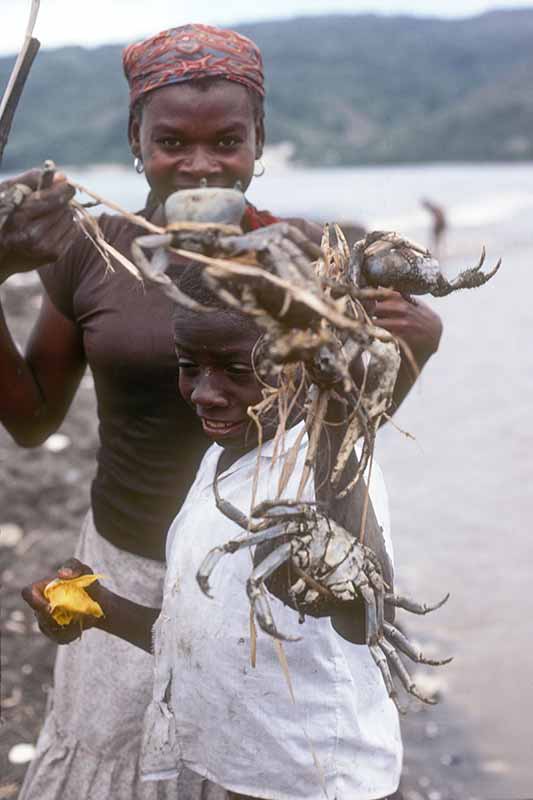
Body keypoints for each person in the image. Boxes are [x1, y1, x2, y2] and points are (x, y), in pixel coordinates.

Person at [1, 23, 442, 800]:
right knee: (111, 769)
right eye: (171, 141)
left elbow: (346, 437)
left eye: (226, 142)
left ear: (258, 141)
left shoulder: (312, 258)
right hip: (121, 556)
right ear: (135, 140)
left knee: (246, 771)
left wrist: (413, 349)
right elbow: (33, 419)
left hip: (262, 579)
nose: (199, 165)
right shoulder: (90, 249)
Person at [23, 268, 404, 799]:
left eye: (232, 369)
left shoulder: (330, 474)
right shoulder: (221, 460)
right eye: (189, 367)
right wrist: (101, 608)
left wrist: (320, 577)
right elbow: (202, 636)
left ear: (303, 362)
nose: (204, 393)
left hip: (315, 777)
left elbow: (368, 619)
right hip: (242, 767)